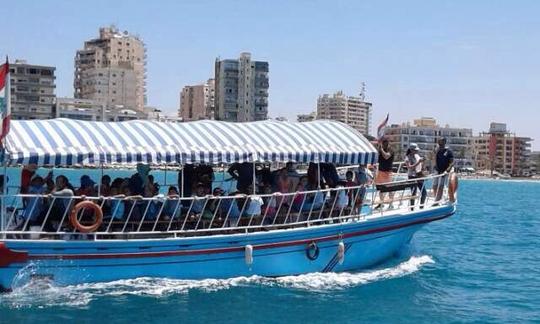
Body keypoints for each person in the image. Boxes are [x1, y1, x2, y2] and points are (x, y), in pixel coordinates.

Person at [405, 144, 427, 210]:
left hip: (419, 175)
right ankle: (412, 208)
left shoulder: (417, 156)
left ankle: (421, 207)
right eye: (415, 150)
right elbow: (409, 167)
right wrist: (418, 162)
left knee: (424, 192)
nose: (417, 151)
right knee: (413, 193)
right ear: (411, 150)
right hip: (412, 176)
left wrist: (423, 162)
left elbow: (420, 165)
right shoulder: (407, 157)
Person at [375, 138, 395, 209]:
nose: (384, 144)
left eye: (386, 143)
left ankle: (391, 204)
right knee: (381, 189)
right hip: (380, 171)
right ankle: (381, 203)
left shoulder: (391, 150)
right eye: (383, 143)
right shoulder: (381, 150)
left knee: (389, 188)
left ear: (388, 143)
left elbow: (386, 156)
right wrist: (378, 149)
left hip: (388, 172)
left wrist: (381, 150)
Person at [433, 137, 454, 202]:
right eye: (439, 141)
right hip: (437, 170)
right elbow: (434, 158)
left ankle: (438, 199)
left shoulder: (448, 151)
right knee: (434, 185)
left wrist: (447, 170)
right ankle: (436, 197)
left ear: (444, 142)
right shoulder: (437, 150)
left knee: (441, 185)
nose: (439, 142)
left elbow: (452, 162)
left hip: (444, 171)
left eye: (441, 141)